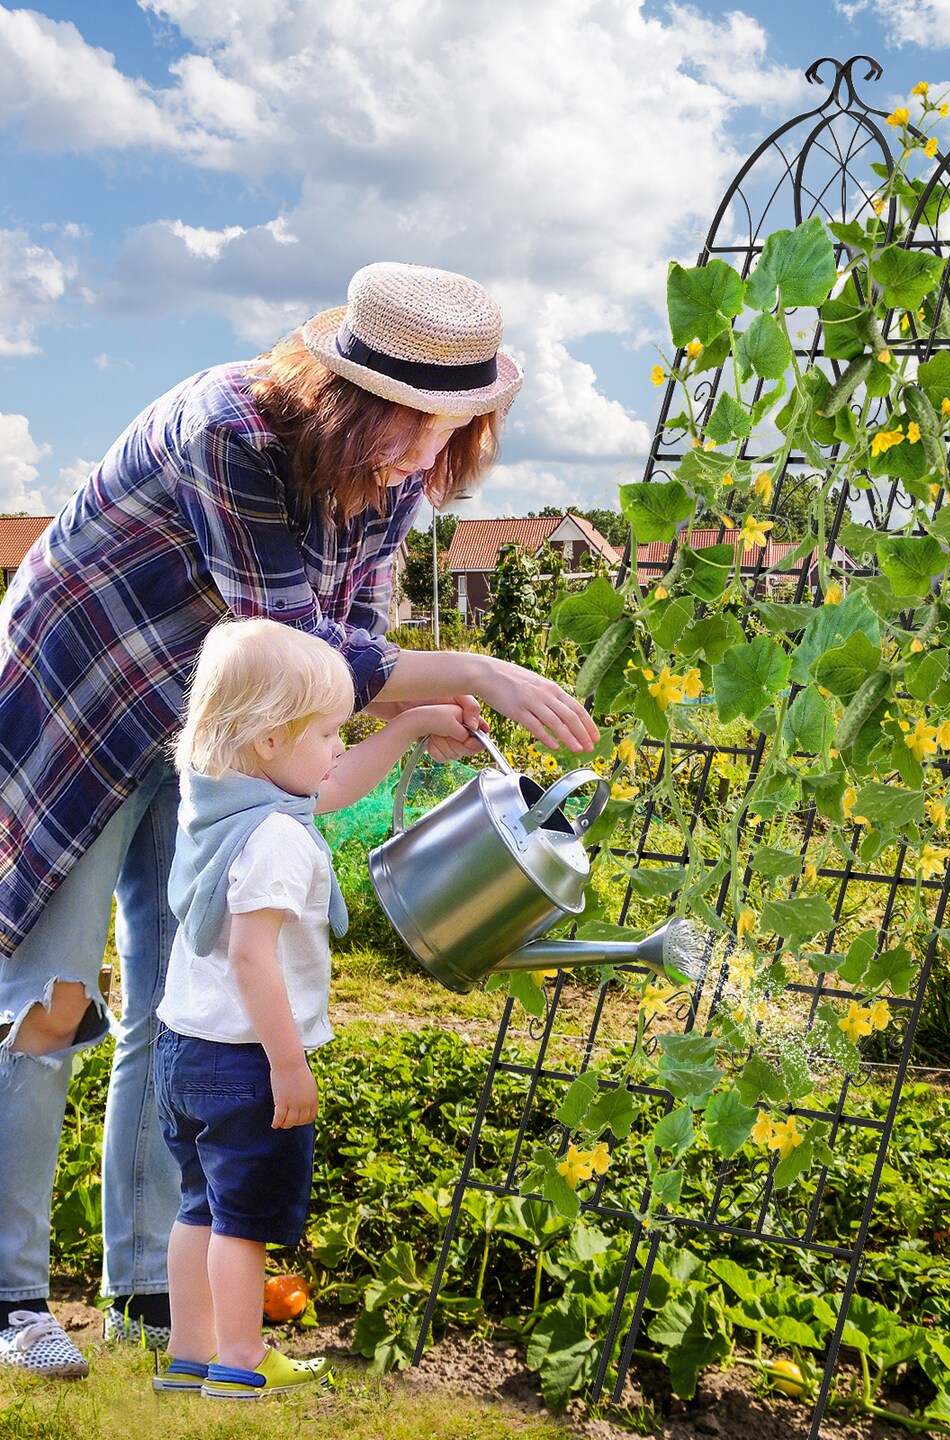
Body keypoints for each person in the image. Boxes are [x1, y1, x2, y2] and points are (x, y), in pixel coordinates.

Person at [0, 262, 600, 1379]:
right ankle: (11, 1298)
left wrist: (413, 713)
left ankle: (148, 1291)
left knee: (182, 1001)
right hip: (88, 699)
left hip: (223, 735)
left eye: (452, 428)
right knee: (51, 1001)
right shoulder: (229, 431)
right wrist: (473, 667)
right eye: (411, 422)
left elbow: (347, 651)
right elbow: (295, 645)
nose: (425, 454)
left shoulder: (397, 474)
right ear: (346, 395)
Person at [153, 618, 463, 1398]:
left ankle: (190, 1355)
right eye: (326, 733)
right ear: (268, 740)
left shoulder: (215, 797)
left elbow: (330, 785)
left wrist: (412, 725)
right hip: (247, 1059)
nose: (337, 747)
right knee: (243, 1222)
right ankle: (241, 1361)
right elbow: (253, 960)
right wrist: (288, 1065)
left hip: (182, 1047)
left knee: (198, 1207)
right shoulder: (276, 840)